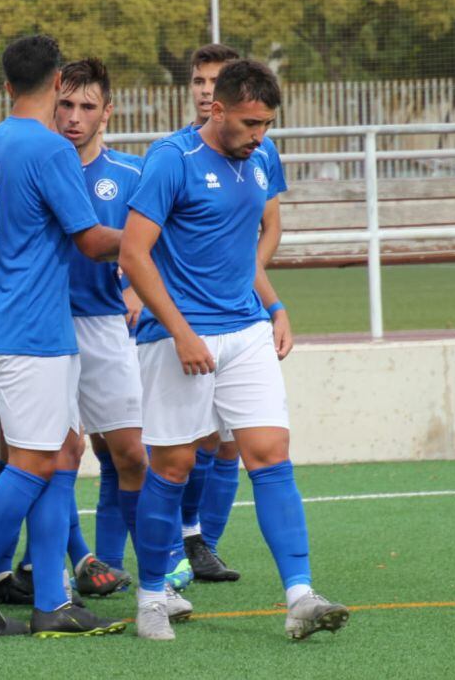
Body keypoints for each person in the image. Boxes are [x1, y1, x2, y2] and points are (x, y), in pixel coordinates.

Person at [119, 59, 348, 641]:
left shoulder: (262, 157)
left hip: (245, 330)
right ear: (217, 109)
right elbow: (134, 255)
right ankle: (152, 596)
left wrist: (275, 306)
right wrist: (180, 332)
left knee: (270, 455)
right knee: (171, 466)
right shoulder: (171, 159)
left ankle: (300, 595)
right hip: (180, 338)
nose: (259, 135)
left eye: (267, 124)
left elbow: (244, 247)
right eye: (250, 123)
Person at [0, 34, 125, 638]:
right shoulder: (53, 149)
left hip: (3, 326)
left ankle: (52, 602)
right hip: (28, 333)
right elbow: (92, 241)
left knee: (62, 452)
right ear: (59, 81)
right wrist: (153, 234)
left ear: (7, 86)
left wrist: (0, 252)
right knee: (32, 462)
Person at [52, 58, 163, 602]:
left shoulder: (131, 174)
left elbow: (159, 243)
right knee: (58, 457)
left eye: (86, 106)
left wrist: (137, 289)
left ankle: (154, 577)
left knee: (132, 454)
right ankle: (61, 566)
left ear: (107, 112)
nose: (74, 117)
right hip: (43, 328)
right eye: (66, 104)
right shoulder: (39, 166)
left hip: (103, 327)